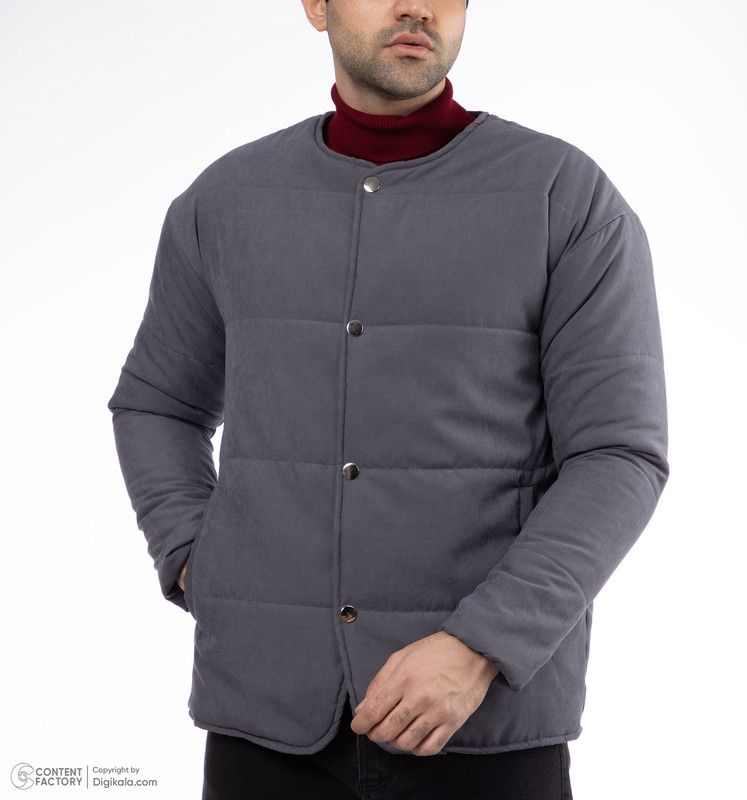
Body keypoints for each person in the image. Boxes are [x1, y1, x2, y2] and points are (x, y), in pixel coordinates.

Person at [108, 0, 669, 797]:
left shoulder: (564, 196)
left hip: (482, 728)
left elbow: (619, 455)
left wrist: (481, 645)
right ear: (316, 6)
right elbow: (157, 405)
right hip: (263, 720)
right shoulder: (225, 200)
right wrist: (198, 561)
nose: (416, 6)